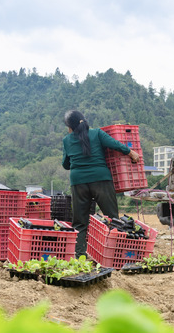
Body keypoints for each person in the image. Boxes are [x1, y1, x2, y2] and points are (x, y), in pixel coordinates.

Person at [61, 110, 142, 258]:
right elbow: (115, 144)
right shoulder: (97, 133)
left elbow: (66, 165)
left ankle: (79, 257)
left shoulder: (67, 140)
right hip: (101, 180)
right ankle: (114, 255)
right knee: (113, 219)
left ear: (70, 127)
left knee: (80, 223)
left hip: (78, 183)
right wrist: (131, 153)